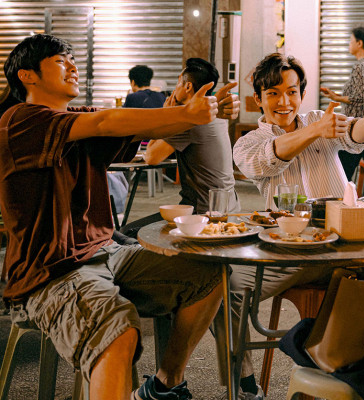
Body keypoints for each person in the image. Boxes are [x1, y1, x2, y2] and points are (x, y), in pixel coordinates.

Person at [0, 34, 239, 400]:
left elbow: (142, 128)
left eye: (73, 59)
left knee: (209, 271)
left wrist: (201, 111)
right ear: (27, 75)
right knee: (118, 328)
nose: (73, 67)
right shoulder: (20, 120)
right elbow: (105, 122)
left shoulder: (77, 117)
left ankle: (164, 383)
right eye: (61, 61)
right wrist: (186, 113)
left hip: (106, 252)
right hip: (51, 271)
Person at [231, 52, 364, 398]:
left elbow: (352, 134)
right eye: (273, 93)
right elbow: (270, 158)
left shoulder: (321, 119)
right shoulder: (248, 144)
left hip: (343, 249)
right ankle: (246, 383)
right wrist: (315, 130)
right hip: (288, 256)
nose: (284, 102)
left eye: (292, 92)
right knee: (224, 288)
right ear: (258, 98)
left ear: (302, 93)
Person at [143, 58, 240, 216]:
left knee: (134, 229)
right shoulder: (214, 114)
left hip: (204, 211)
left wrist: (166, 114)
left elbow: (151, 157)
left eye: (178, 82)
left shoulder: (190, 120)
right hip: (229, 206)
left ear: (187, 86)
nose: (175, 88)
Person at [320, 24, 364, 195]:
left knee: (342, 173)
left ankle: (337, 204)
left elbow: (361, 97)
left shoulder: (360, 66)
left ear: (359, 43)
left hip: (358, 129)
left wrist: (337, 99)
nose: (349, 44)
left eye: (351, 41)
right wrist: (336, 96)